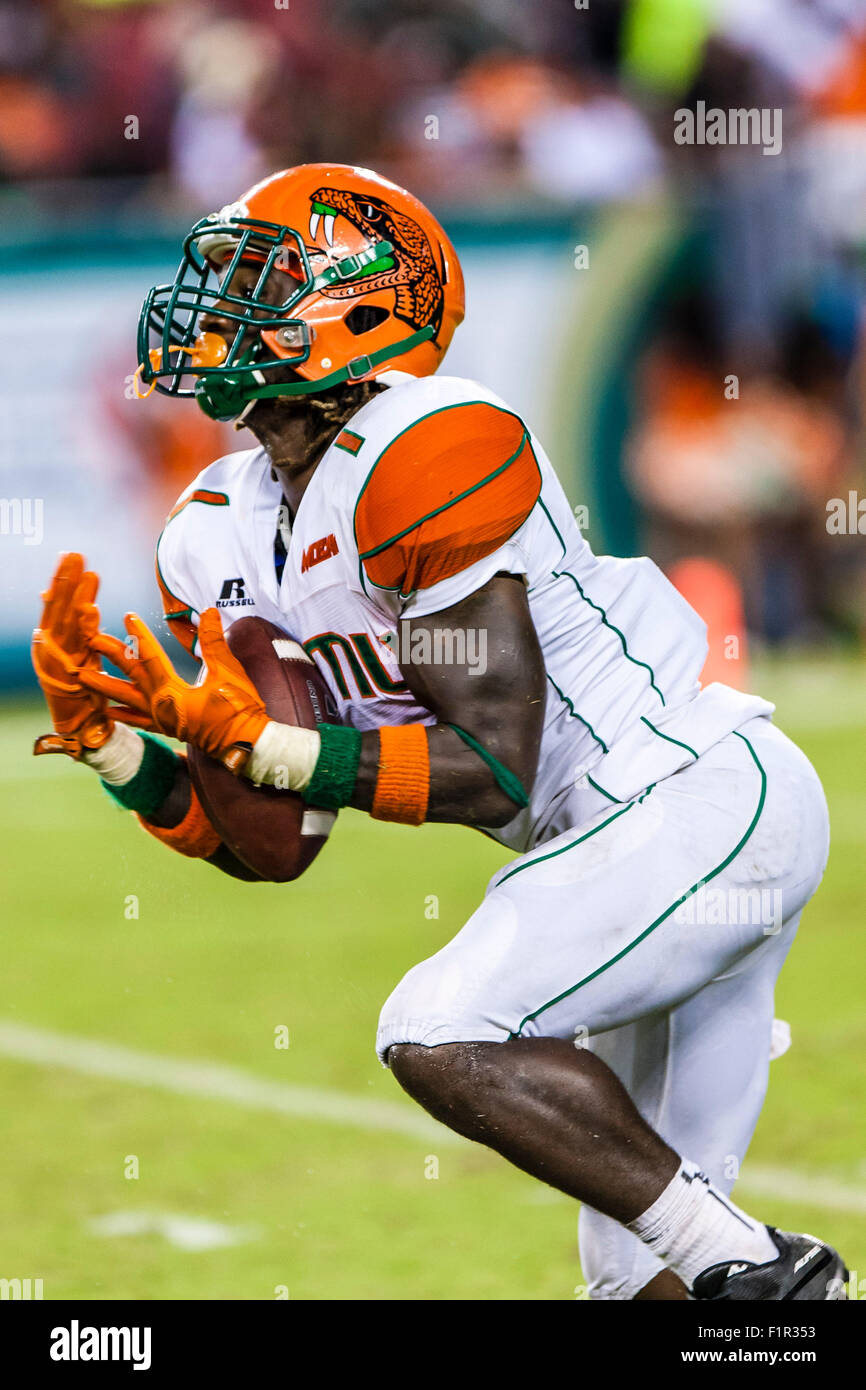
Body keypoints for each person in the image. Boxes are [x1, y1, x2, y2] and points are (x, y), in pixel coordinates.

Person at [31, 164, 846, 1300]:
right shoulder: (212, 528)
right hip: (608, 846)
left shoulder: (427, 443)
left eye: (254, 281)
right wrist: (123, 751)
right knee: (633, 1285)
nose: (216, 311)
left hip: (695, 800)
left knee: (438, 1025)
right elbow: (274, 842)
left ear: (359, 300)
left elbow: (493, 755)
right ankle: (749, 1285)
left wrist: (269, 743)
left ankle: (758, 1266)